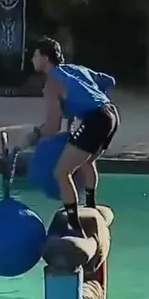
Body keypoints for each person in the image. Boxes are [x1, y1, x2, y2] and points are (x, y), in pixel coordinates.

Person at [31, 38, 117, 237]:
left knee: (62, 172)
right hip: (111, 114)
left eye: (34, 55)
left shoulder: (51, 83)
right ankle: (91, 207)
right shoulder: (76, 69)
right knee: (85, 161)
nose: (32, 59)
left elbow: (52, 126)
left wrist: (34, 135)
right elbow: (108, 81)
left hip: (94, 120)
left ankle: (75, 227)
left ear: (45, 58)